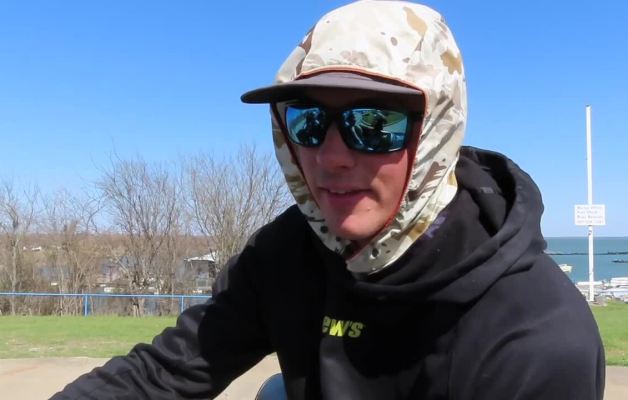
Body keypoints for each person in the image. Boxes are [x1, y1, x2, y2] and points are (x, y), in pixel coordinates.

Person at [52, 1, 605, 399]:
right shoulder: (288, 250)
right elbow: (164, 373)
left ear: (435, 131)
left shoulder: (534, 339)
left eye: (375, 123)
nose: (330, 156)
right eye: (308, 121)